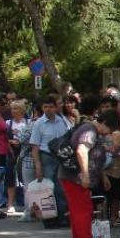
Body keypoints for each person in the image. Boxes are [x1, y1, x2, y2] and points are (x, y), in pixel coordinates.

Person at [57, 110, 120, 238]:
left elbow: (94, 156)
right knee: (84, 211)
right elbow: (82, 151)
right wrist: (85, 176)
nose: (108, 133)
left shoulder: (88, 128)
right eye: (109, 129)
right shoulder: (90, 131)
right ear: (104, 123)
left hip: (71, 176)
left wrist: (102, 176)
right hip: (76, 178)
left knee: (77, 211)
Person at [30, 94, 73, 228]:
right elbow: (35, 147)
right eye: (45, 107)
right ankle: (49, 218)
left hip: (60, 156)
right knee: (47, 189)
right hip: (46, 157)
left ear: (55, 108)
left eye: (50, 107)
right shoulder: (38, 124)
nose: (48, 109)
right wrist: (38, 166)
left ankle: (62, 216)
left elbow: (67, 139)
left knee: (60, 188)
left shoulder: (62, 121)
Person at [5, 100, 30, 214]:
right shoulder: (7, 123)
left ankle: (27, 204)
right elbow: (3, 139)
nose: (13, 111)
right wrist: (11, 141)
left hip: (25, 153)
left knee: (25, 179)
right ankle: (10, 204)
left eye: (16, 108)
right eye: (12, 109)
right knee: (10, 177)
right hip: (11, 153)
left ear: (22, 110)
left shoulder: (28, 122)